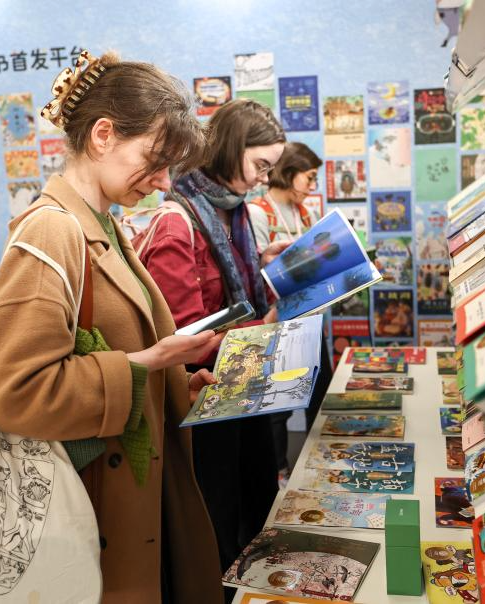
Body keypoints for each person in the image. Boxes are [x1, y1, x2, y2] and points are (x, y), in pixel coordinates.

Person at [0, 50, 224, 604]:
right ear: (103, 135)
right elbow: (17, 394)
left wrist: (170, 389)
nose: (163, 183)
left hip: (129, 495)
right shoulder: (50, 232)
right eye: (154, 161)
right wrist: (149, 364)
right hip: (90, 508)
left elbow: (113, 353)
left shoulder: (104, 226)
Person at [138, 98, 288, 589]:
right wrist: (262, 329)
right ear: (230, 149)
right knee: (219, 521)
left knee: (256, 506)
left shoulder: (235, 213)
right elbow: (186, 336)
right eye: (260, 165)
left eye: (271, 168)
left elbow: (233, 298)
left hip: (244, 392)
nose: (264, 178)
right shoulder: (177, 221)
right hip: (206, 398)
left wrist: (270, 268)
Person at [246, 142, 329, 485]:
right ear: (290, 172)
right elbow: (257, 273)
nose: (312, 186)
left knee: (318, 393)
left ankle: (319, 466)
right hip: (277, 323)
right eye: (309, 177)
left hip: (310, 318)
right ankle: (278, 473)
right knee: (277, 405)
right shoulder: (258, 212)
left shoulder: (304, 213)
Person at [247, 141, 322, 252]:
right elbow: (256, 262)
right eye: (310, 178)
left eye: (315, 180)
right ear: (288, 173)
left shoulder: (309, 215)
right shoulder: (256, 213)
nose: (313, 187)